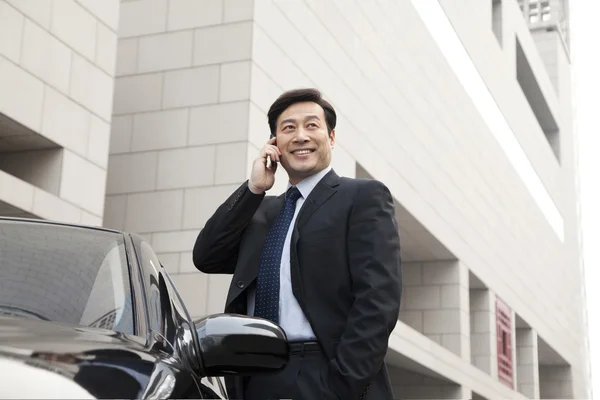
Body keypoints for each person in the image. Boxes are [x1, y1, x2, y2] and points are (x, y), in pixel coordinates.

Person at [193, 88, 402, 400]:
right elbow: (207, 257)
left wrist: (342, 385)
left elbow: (377, 300)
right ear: (275, 144)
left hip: (324, 372)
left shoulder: (362, 197)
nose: (301, 135)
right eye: (288, 128)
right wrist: (254, 189)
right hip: (255, 375)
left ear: (331, 137)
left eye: (312, 125)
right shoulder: (262, 211)